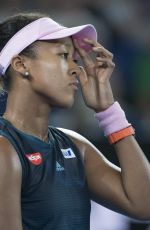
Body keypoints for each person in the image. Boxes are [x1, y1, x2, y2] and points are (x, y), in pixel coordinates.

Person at [0, 12, 149, 230]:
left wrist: (108, 112)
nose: (76, 69)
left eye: (75, 59)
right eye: (63, 55)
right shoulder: (4, 150)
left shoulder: (76, 146)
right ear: (22, 65)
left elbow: (143, 205)